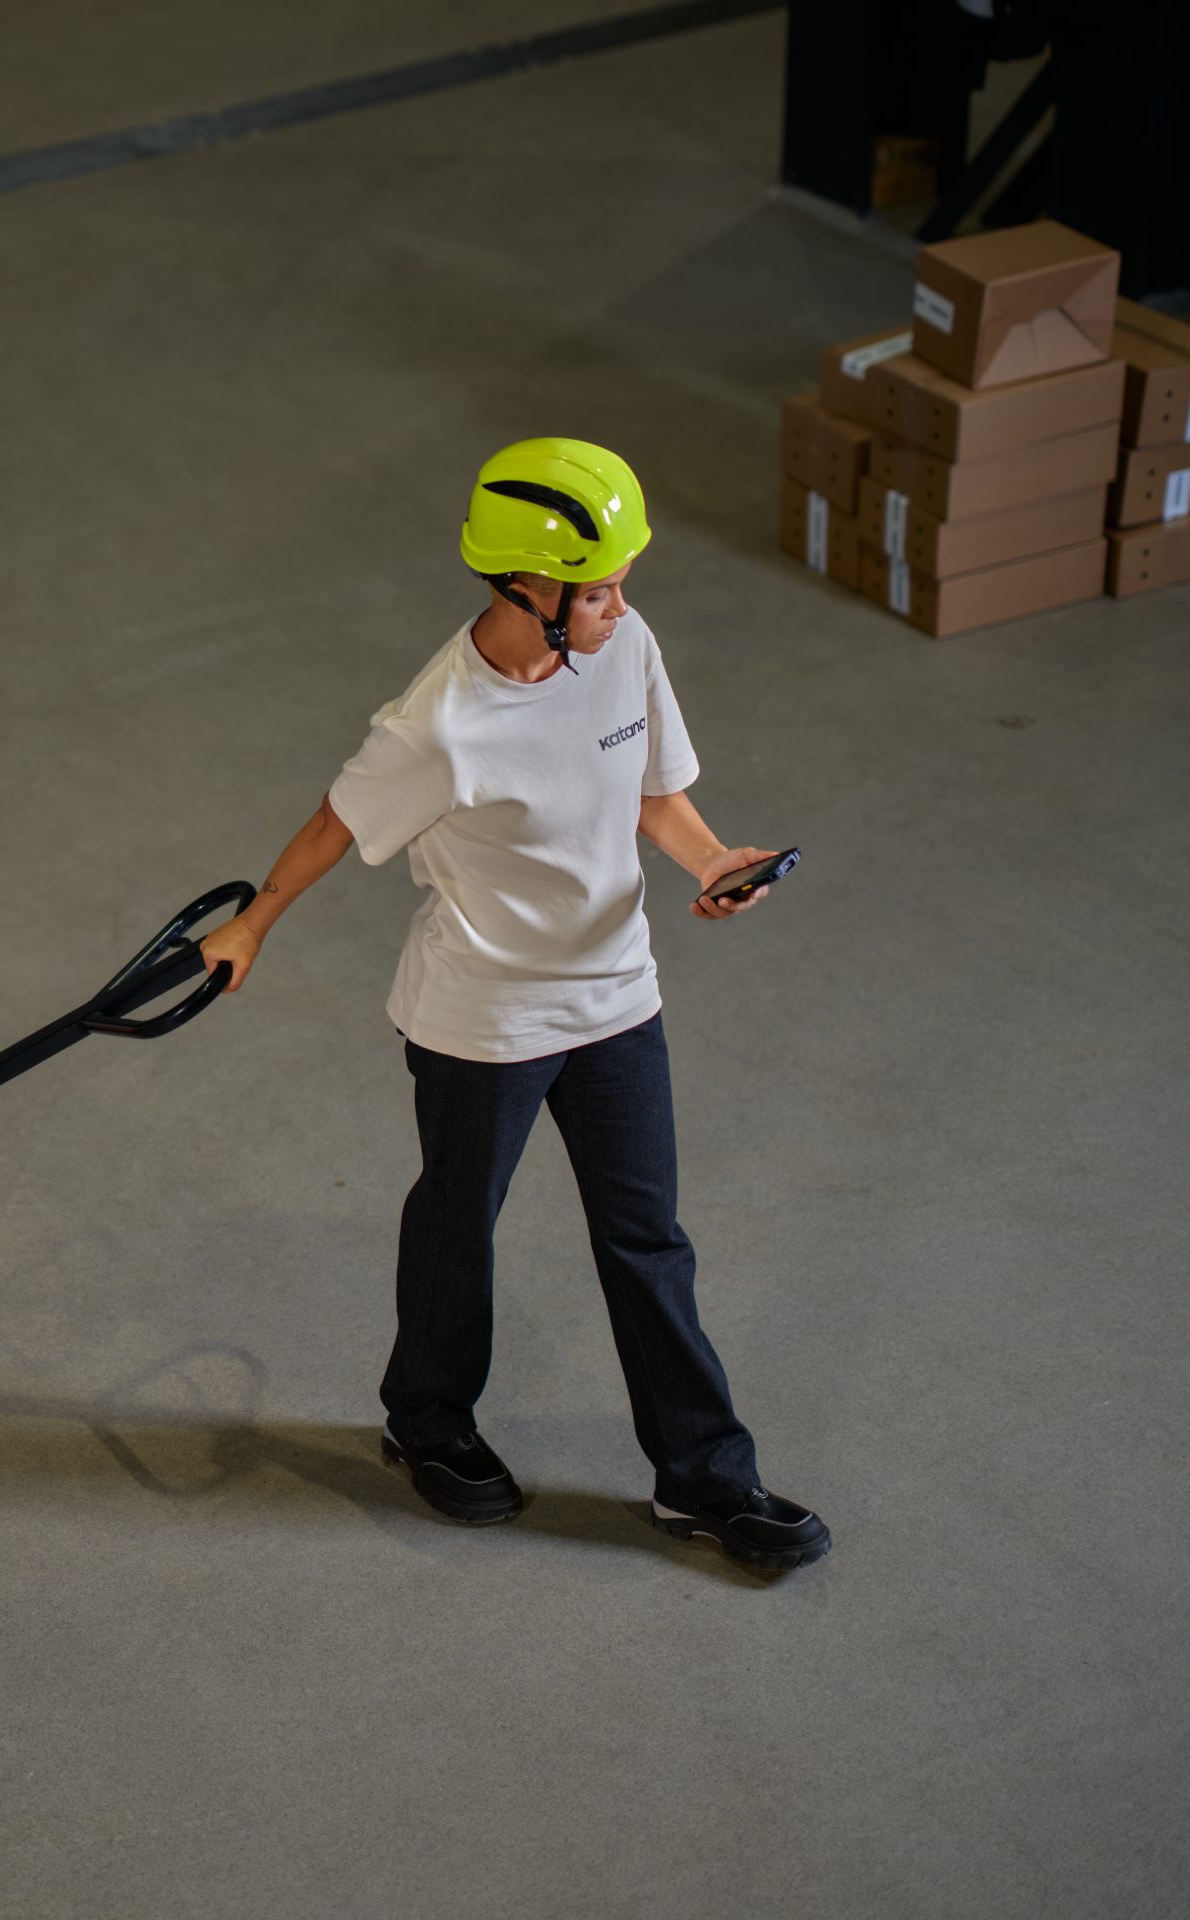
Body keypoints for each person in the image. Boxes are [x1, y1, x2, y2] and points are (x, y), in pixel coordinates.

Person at [198, 438, 830, 1573]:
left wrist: (707, 860)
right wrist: (254, 922)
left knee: (648, 1240)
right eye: (593, 589)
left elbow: (655, 792)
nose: (617, 603)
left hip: (615, 994)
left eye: (618, 582)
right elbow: (335, 822)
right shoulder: (438, 726)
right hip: (481, 1016)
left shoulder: (624, 645)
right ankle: (427, 1422)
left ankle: (703, 1480)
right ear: (523, 587)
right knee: (457, 1223)